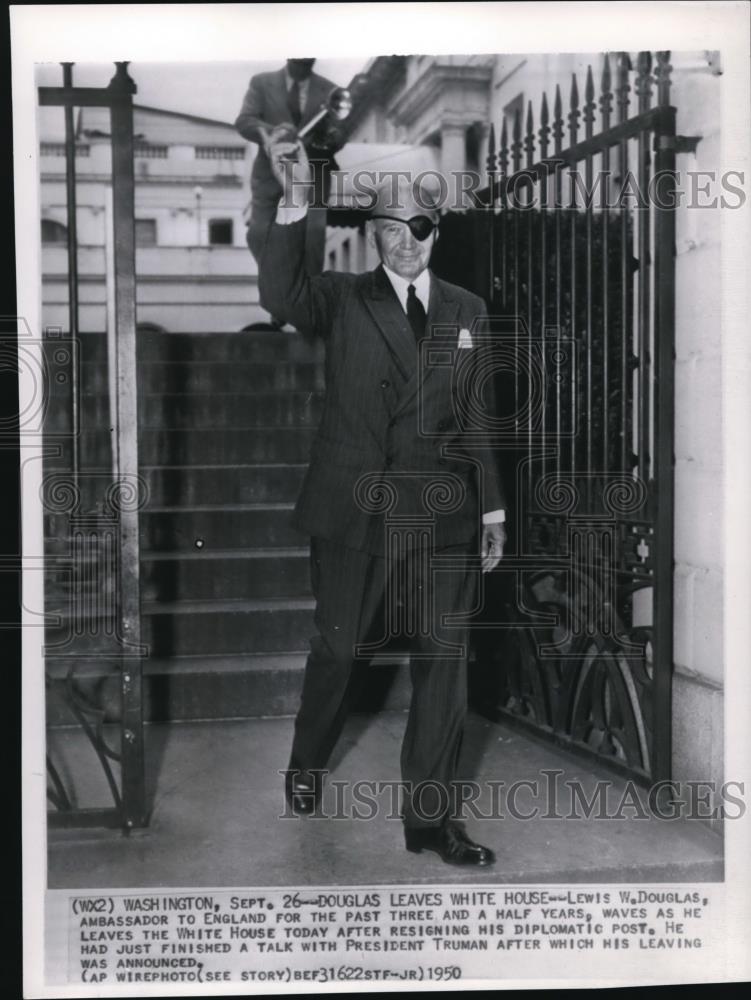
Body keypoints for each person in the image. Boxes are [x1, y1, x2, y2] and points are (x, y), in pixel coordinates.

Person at [258, 136, 507, 868]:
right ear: (373, 238)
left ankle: (430, 823)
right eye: (388, 232)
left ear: (439, 230)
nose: (403, 244)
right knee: (338, 652)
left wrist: (492, 510)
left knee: (444, 661)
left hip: (442, 513)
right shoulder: (338, 299)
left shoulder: (468, 309)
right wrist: (297, 198)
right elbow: (280, 294)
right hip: (352, 510)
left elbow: (477, 415)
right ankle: (306, 764)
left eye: (417, 230)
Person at [235, 58, 347, 276]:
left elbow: (340, 133)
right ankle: (280, 288)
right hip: (270, 173)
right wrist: (274, 132)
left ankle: (305, 299)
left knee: (311, 243)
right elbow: (245, 121)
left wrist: (328, 139)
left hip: (313, 175)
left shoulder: (331, 90)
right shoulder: (261, 83)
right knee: (259, 234)